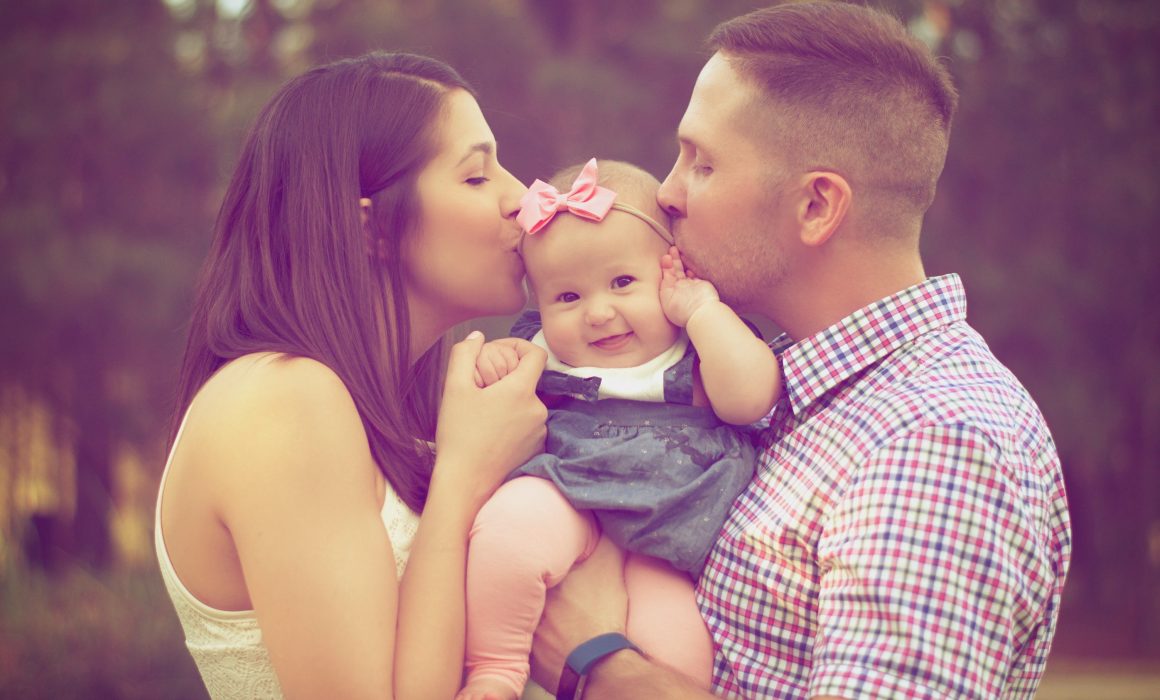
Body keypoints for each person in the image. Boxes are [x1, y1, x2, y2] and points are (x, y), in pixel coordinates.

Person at [530, 4, 1073, 699]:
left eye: (701, 163)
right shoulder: (783, 388)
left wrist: (594, 664)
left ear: (817, 206)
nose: (666, 193)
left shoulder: (937, 440)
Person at [153, 51, 549, 699]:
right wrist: (463, 475)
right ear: (371, 229)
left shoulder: (396, 409)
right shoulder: (281, 399)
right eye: (477, 177)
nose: (523, 199)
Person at [457, 159, 781, 700]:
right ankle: (495, 669)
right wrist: (496, 363)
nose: (599, 313)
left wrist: (700, 310)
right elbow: (500, 399)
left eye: (623, 282)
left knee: (678, 656)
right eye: (567, 297)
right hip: (569, 494)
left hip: (669, 540)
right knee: (507, 533)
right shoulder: (540, 351)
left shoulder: (698, 342)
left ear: (673, 271)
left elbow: (750, 399)